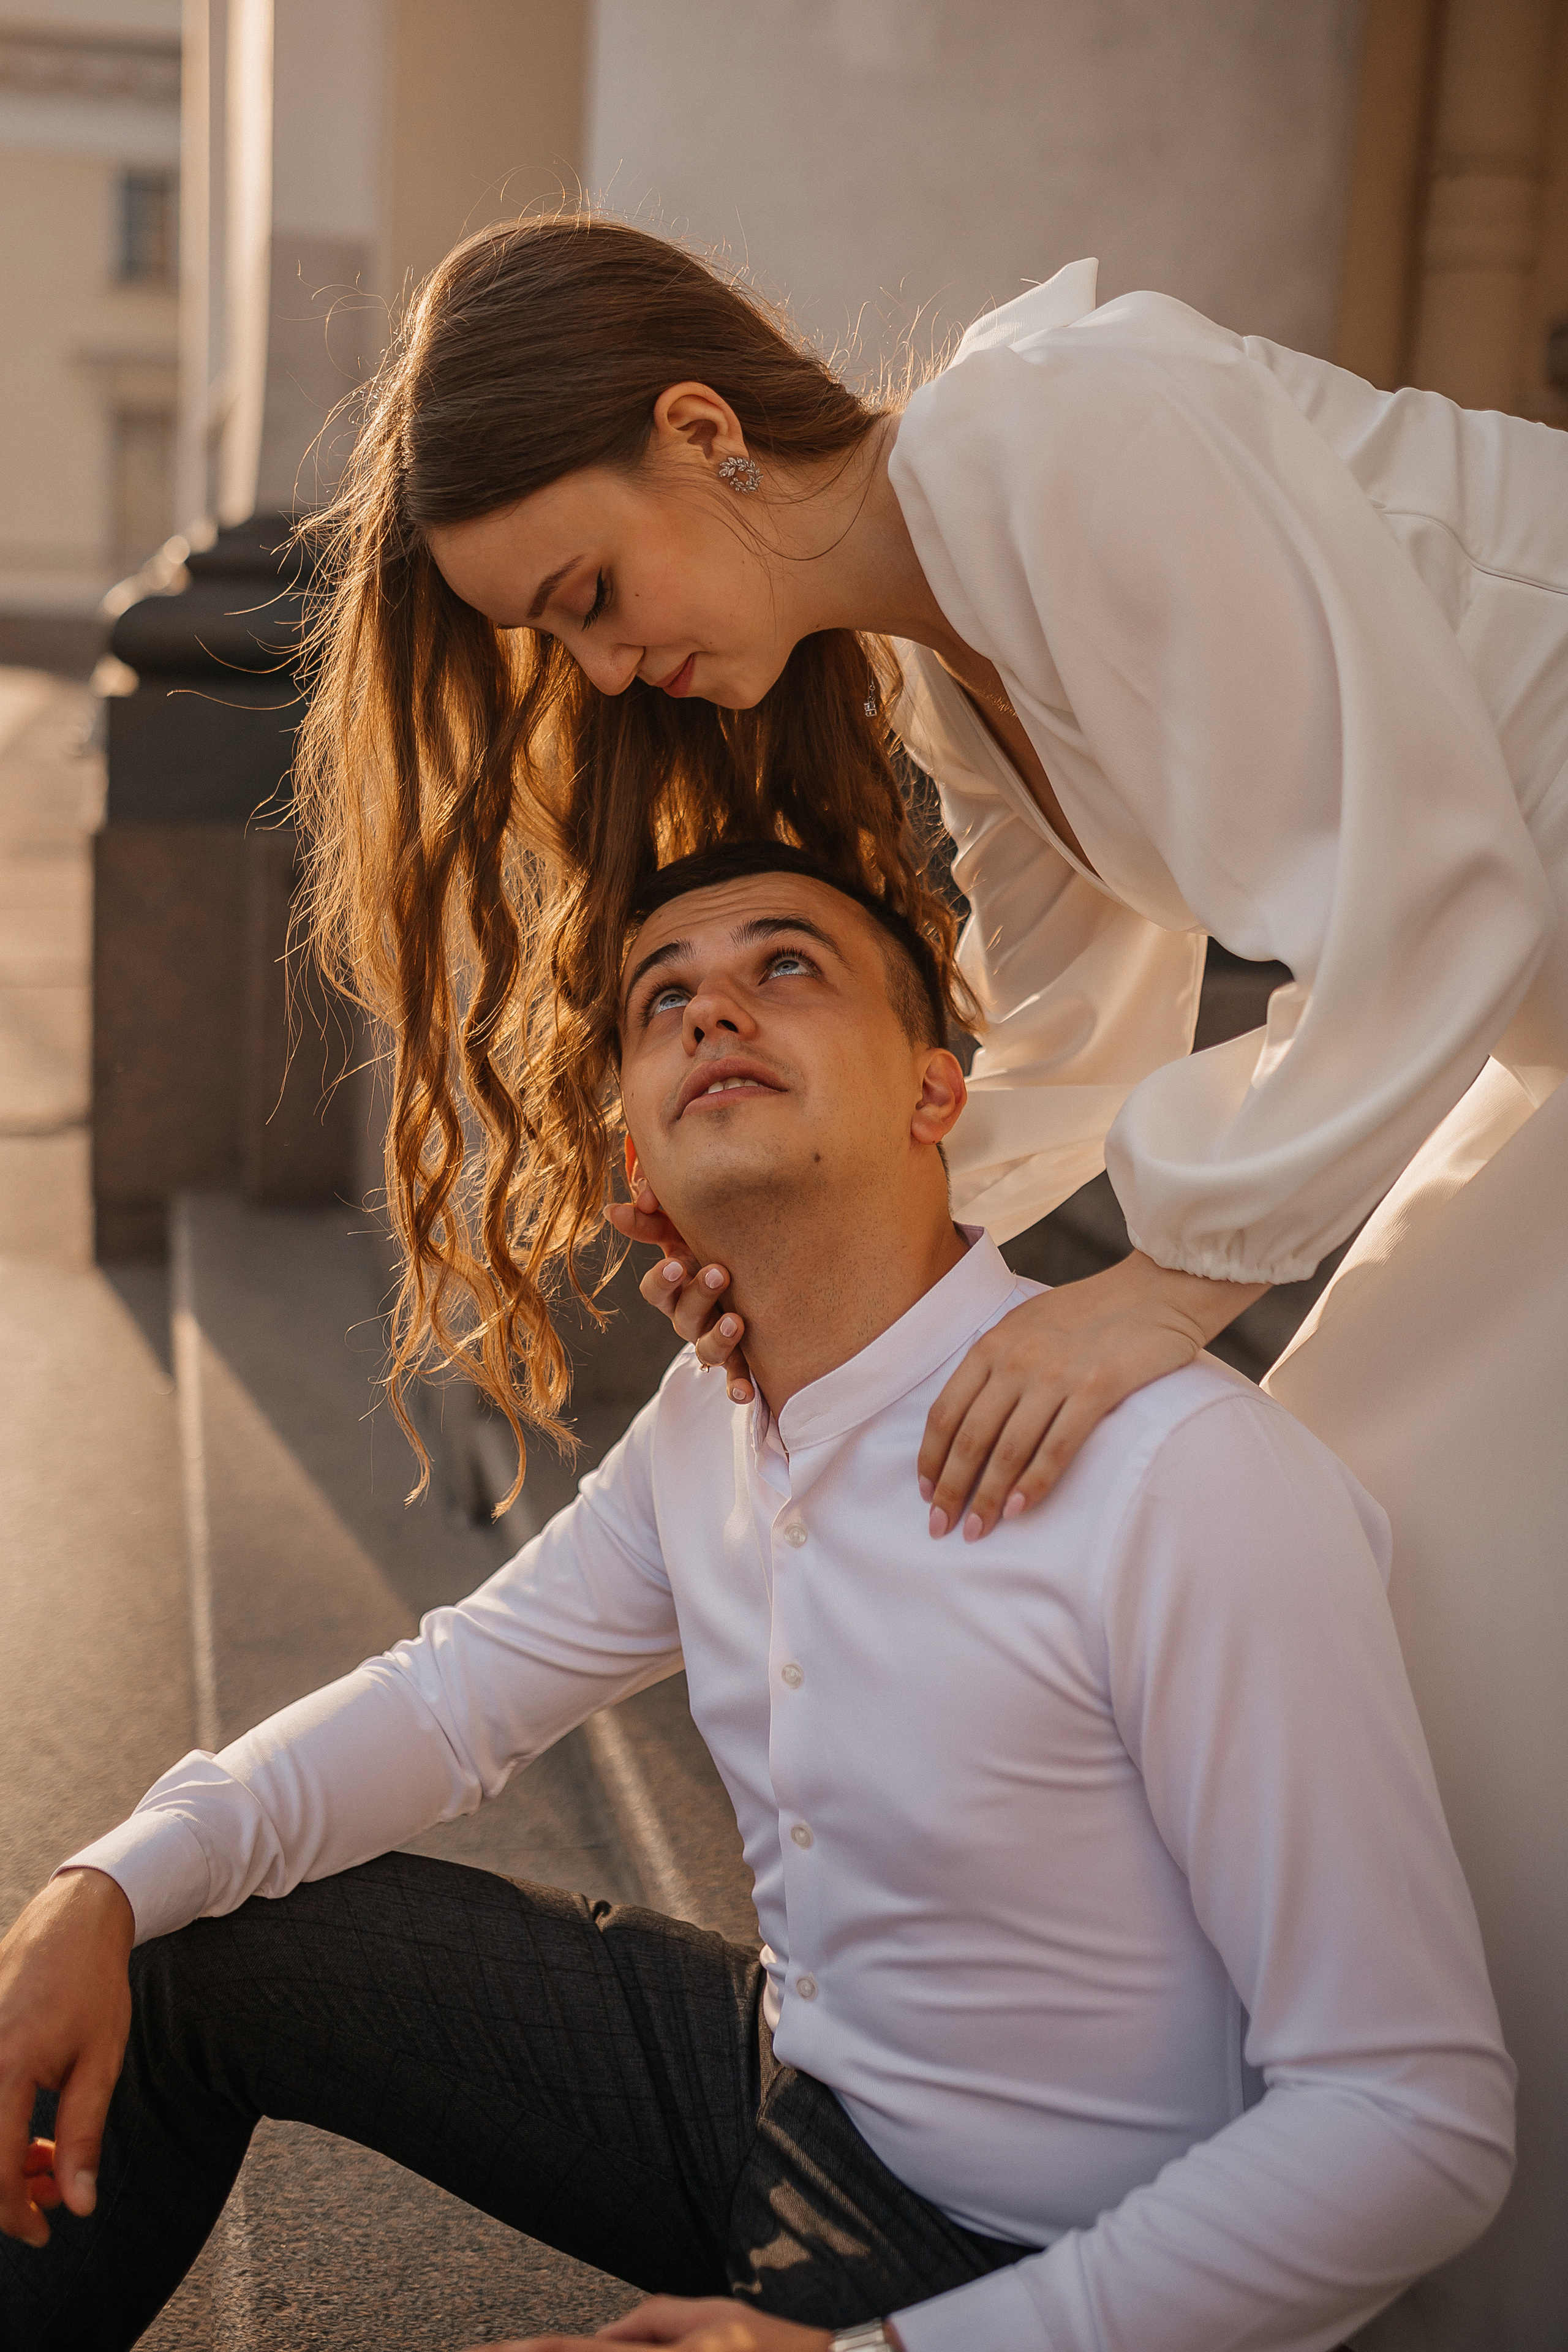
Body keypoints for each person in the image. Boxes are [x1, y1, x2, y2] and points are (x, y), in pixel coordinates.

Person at [287, 214, 1567, 2339]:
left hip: (1516, 994)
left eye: (589, 594)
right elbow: (1076, 1045)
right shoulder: (955, 649)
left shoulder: (1070, 438)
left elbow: (1447, 886)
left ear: (702, 432)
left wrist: (1165, 1293)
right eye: (556, 639)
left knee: (1363, 1568)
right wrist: (795, 1257)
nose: (601, 670)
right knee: (1413, 1625)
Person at [0, 846, 1515, 2352]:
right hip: (787, 2098)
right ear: (634, 1159)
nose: (712, 1010)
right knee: (183, 1943)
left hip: (1054, 2271)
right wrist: (105, 1879)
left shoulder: (1178, 1475)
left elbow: (1410, 2120)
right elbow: (449, 1696)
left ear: (937, 1094)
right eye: (663, 999)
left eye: (784, 966)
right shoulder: (703, 1428)